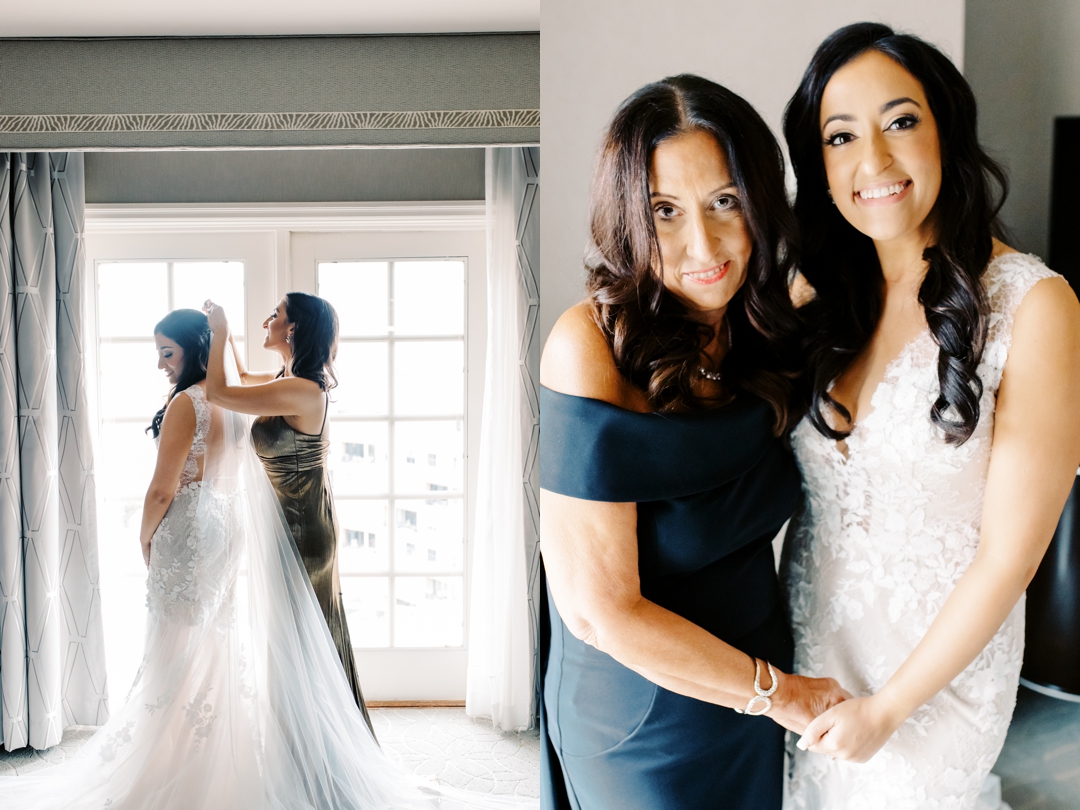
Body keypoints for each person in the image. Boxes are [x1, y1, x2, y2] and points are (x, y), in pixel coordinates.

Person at [0, 307, 536, 809]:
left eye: (167, 352)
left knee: (181, 644)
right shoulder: (233, 400)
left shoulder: (214, 400)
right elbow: (228, 389)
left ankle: (234, 753)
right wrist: (220, 340)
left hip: (210, 527)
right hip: (226, 524)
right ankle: (229, 747)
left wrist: (143, 537)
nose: (160, 364)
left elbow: (162, 490)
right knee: (215, 644)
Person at [780, 22, 1080, 809]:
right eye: (840, 136)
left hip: (936, 682)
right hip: (808, 654)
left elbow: (1010, 558)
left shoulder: (1035, 306)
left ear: (948, 127)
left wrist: (889, 707)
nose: (872, 161)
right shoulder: (813, 297)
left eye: (901, 121)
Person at [539, 75, 850, 810]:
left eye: (724, 203)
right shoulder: (587, 346)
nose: (701, 244)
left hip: (757, 675)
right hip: (642, 712)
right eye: (665, 212)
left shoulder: (772, 321)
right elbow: (598, 611)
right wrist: (779, 695)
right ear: (628, 218)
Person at [202, 292, 373, 735]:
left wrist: (220, 329)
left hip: (302, 529)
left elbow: (221, 393)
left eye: (274, 315)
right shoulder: (288, 377)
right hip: (295, 521)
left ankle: (323, 742)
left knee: (306, 635)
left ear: (293, 328)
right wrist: (223, 332)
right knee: (296, 636)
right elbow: (237, 375)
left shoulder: (302, 390)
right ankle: (299, 739)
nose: (266, 322)